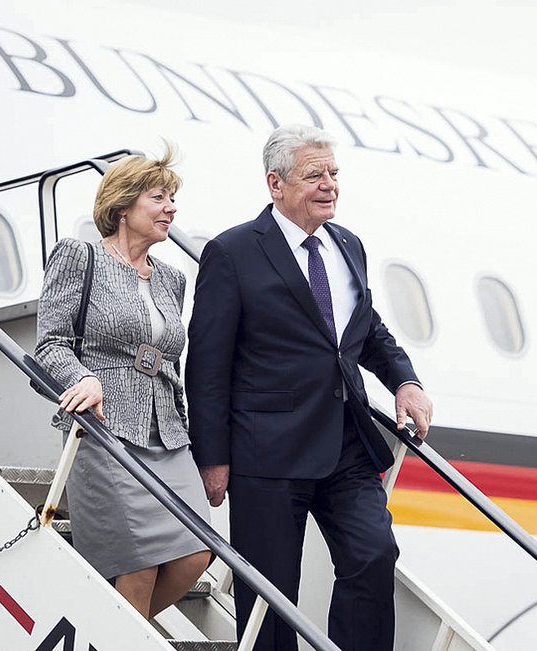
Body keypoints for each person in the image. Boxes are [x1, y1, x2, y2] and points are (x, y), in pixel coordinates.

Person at [185, 124, 433, 651]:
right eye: (314, 174)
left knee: (373, 554)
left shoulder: (348, 245)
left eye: (334, 173)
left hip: (345, 442)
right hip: (266, 450)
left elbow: (364, 331)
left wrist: (404, 380)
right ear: (275, 183)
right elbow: (207, 365)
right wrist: (213, 456)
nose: (330, 185)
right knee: (272, 596)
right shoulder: (233, 252)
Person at [35, 145, 211, 619]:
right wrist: (83, 377)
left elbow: (171, 362)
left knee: (197, 552)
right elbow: (50, 343)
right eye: (159, 197)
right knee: (139, 564)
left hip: (167, 435)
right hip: (105, 425)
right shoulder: (80, 256)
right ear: (123, 206)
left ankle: (108, 632)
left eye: (172, 198)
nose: (171, 208)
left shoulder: (172, 278)